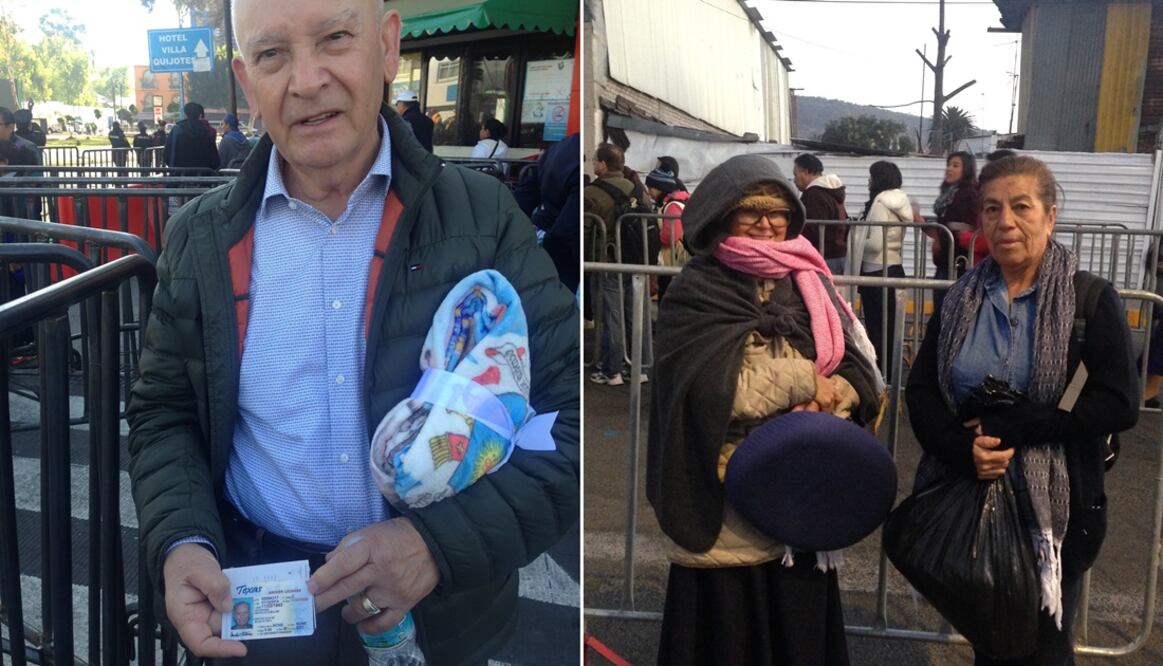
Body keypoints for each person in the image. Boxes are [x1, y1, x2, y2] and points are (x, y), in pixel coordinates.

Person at [126, 1, 579, 664]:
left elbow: (564, 421)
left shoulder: (483, 221)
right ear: (247, 82)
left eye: (335, 37)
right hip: (258, 605)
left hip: (439, 616)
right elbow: (163, 410)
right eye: (272, 55)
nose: (307, 80)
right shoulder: (200, 238)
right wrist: (181, 539)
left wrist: (433, 544)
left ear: (387, 45)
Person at [646, 153, 881, 665]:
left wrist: (836, 396)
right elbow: (704, 389)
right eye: (750, 211)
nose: (767, 223)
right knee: (728, 636)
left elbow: (860, 371)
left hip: (800, 490)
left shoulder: (810, 282)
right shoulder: (697, 289)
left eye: (777, 212)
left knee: (794, 625)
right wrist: (802, 378)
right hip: (725, 485)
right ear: (720, 216)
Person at [906, 156, 1139, 665]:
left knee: (1043, 649)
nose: (1005, 221)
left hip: (1054, 508)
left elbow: (1120, 401)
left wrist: (1028, 424)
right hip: (970, 498)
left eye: (1021, 206)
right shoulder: (960, 299)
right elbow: (921, 389)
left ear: (1050, 216)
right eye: (992, 208)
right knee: (991, 639)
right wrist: (960, 448)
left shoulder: (1088, 299)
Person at [584, 143, 652, 385]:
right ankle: (639, 367)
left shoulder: (591, 193)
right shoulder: (637, 189)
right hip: (637, 260)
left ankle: (611, 369)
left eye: (594, 160)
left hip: (608, 261)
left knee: (610, 316)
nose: (592, 164)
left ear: (603, 164)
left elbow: (586, 231)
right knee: (637, 314)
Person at [849, 160, 910, 380]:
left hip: (875, 271)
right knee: (891, 328)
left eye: (871, 176)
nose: (868, 181)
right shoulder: (901, 202)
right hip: (895, 268)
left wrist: (854, 237)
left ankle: (881, 378)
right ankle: (891, 377)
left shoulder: (880, 203)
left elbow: (874, 243)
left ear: (879, 179)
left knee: (877, 328)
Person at [513, 133, 580, 293]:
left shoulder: (558, 149)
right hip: (564, 243)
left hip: (547, 235)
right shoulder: (573, 154)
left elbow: (524, 198)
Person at [931, 151, 980, 313]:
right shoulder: (949, 194)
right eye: (948, 165)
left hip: (959, 266)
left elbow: (970, 226)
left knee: (946, 314)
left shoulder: (968, 194)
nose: (949, 169)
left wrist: (950, 231)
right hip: (945, 263)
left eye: (955, 165)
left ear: (966, 170)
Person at [793, 153, 850, 275]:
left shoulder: (814, 195)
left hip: (823, 257)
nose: (794, 179)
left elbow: (812, 230)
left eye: (795, 174)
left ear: (805, 172)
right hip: (838, 255)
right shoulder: (833, 192)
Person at [645, 167, 689, 302]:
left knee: (667, 295)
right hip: (678, 260)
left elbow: (670, 235)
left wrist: (654, 237)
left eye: (651, 188)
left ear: (659, 188)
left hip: (673, 260)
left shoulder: (672, 206)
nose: (649, 193)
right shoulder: (682, 201)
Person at [165, 102, 220, 172]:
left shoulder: (177, 130)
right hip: (203, 178)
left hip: (180, 177)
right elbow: (215, 160)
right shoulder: (207, 133)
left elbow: (167, 155)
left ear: (185, 114)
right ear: (200, 115)